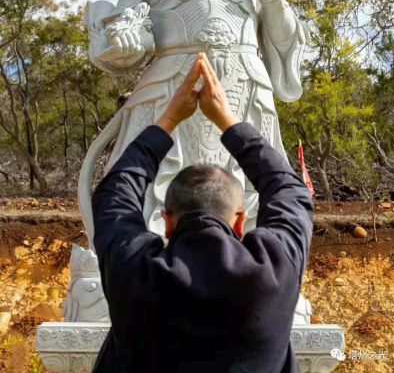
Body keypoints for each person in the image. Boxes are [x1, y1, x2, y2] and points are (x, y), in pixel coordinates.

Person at [85, 0, 309, 236]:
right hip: (171, 82)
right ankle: (146, 252)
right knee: (149, 186)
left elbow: (282, 38)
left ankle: (246, 254)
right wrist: (125, 40)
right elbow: (124, 31)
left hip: (243, 82)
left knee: (251, 182)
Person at [91, 52, 314, 373]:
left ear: (166, 222)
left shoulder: (135, 272)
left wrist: (168, 119)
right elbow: (291, 190)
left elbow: (114, 193)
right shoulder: (272, 273)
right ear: (240, 222)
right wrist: (227, 119)